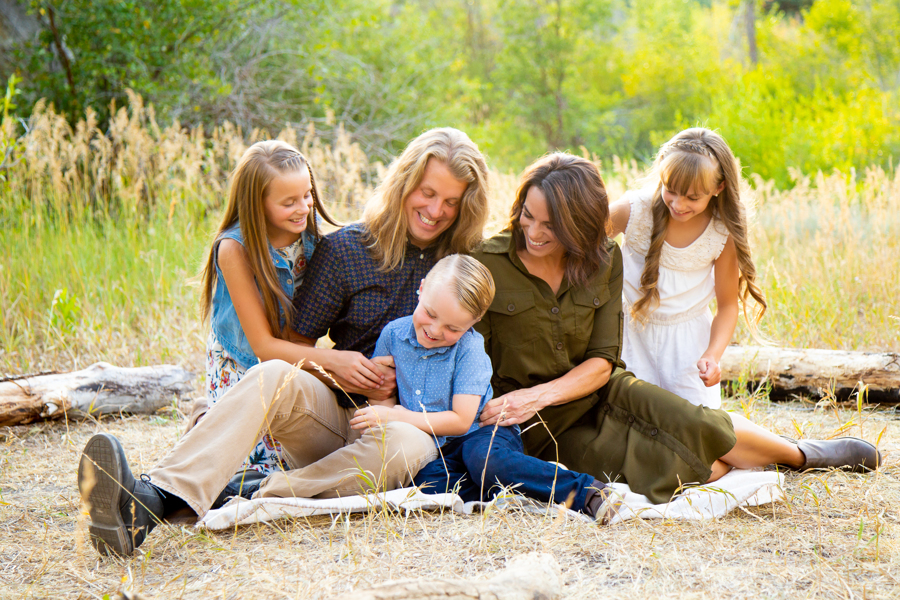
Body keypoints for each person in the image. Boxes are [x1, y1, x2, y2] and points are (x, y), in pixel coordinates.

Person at [77, 128, 491, 557]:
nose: (436, 210)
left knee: (408, 442)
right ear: (405, 183)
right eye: (427, 193)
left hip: (405, 432)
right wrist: (341, 369)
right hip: (339, 416)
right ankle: (151, 497)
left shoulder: (465, 266)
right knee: (273, 372)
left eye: (451, 201)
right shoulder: (346, 250)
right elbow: (293, 348)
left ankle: (256, 491)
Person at [472, 152, 880, 506]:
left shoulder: (600, 261)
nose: (535, 232)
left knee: (697, 423)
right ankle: (765, 455)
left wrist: (542, 393)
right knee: (697, 468)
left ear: (578, 223)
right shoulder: (487, 265)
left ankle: (802, 456)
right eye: (528, 215)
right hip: (542, 426)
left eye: (551, 224)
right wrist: (527, 403)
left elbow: (602, 360)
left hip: (602, 388)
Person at [350, 254, 615, 520]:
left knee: (485, 461)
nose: (434, 330)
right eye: (430, 313)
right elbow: (382, 397)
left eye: (452, 327)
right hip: (434, 446)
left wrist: (398, 416)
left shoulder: (469, 348)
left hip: (482, 434)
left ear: (475, 320)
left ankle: (587, 491)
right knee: (426, 483)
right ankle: (523, 481)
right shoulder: (393, 335)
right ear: (421, 290)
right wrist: (382, 411)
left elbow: (461, 422)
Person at [198, 139, 340, 473]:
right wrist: (335, 361)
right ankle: (205, 422)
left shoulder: (316, 240)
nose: (303, 208)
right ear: (256, 204)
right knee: (250, 471)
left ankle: (203, 420)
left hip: (295, 360)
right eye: (288, 202)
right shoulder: (235, 249)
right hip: (243, 363)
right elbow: (262, 347)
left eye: (307, 195)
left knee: (295, 459)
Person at [607, 128, 764, 409]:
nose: (678, 205)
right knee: (630, 422)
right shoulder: (632, 210)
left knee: (697, 432)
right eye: (671, 191)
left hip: (687, 347)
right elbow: (577, 244)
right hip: (629, 337)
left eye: (692, 198)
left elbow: (727, 306)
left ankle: (796, 452)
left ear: (719, 188)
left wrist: (712, 356)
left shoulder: (721, 231)